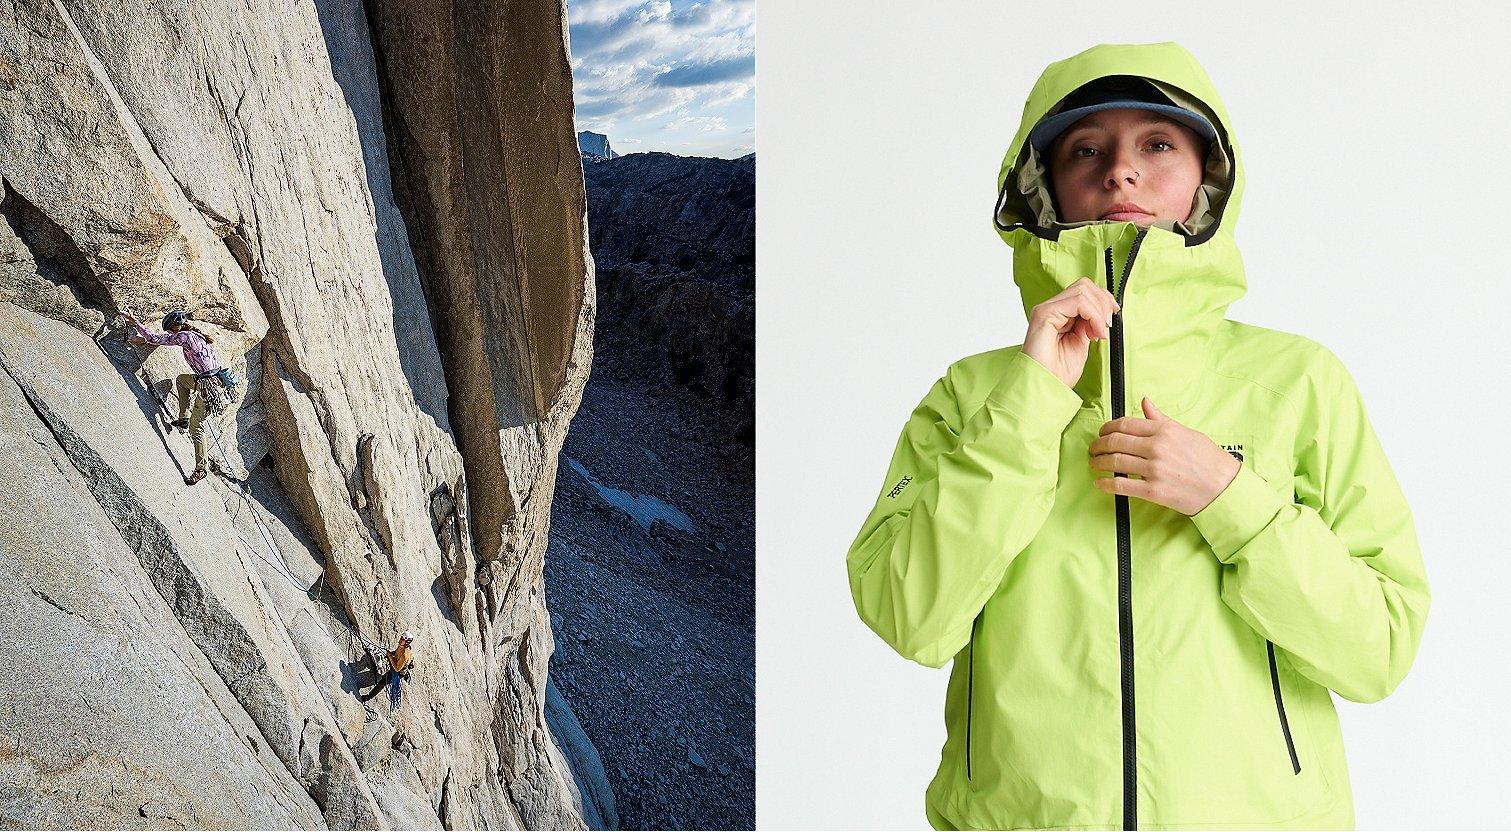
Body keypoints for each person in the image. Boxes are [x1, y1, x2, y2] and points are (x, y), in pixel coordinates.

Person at [844, 42, 1429, 831]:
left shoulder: (1297, 381)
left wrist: (1230, 499)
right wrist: (1029, 406)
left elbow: (1377, 650)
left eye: (1157, 144)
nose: (1120, 171)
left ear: (1205, 181)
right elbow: (909, 616)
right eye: (1085, 150)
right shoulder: (973, 395)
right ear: (1041, 185)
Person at [123, 310, 236, 485]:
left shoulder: (184, 336)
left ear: (174, 328)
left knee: (197, 427)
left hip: (209, 387)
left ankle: (201, 469)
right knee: (182, 381)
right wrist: (143, 341)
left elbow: (154, 338)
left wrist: (134, 320)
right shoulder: (195, 334)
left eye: (169, 329)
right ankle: (183, 418)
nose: (169, 332)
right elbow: (159, 340)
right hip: (209, 379)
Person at [360, 631, 417, 710]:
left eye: (403, 639)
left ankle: (368, 697)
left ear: (407, 642)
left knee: (382, 682)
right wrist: (391, 654)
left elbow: (397, 669)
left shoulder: (404, 655)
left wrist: (390, 657)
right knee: (384, 677)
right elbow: (396, 652)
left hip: (398, 673)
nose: (401, 640)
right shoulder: (401, 646)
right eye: (401, 638)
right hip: (398, 664)